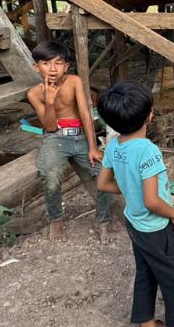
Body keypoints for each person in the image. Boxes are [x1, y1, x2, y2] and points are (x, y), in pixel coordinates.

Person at [96, 81, 174, 327]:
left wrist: (129, 189)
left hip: (134, 224)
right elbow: (152, 201)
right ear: (150, 115)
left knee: (145, 273)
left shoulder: (114, 145)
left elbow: (104, 184)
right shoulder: (148, 150)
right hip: (156, 228)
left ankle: (146, 322)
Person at [26, 41, 111, 242]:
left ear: (66, 66)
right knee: (50, 175)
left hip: (81, 136)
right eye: (47, 63)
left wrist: (92, 146)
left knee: (105, 174)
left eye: (58, 63)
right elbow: (49, 126)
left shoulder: (74, 81)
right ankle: (56, 219)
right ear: (36, 67)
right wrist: (49, 101)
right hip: (55, 138)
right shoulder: (34, 93)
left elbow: (85, 113)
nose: (53, 69)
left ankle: (103, 221)